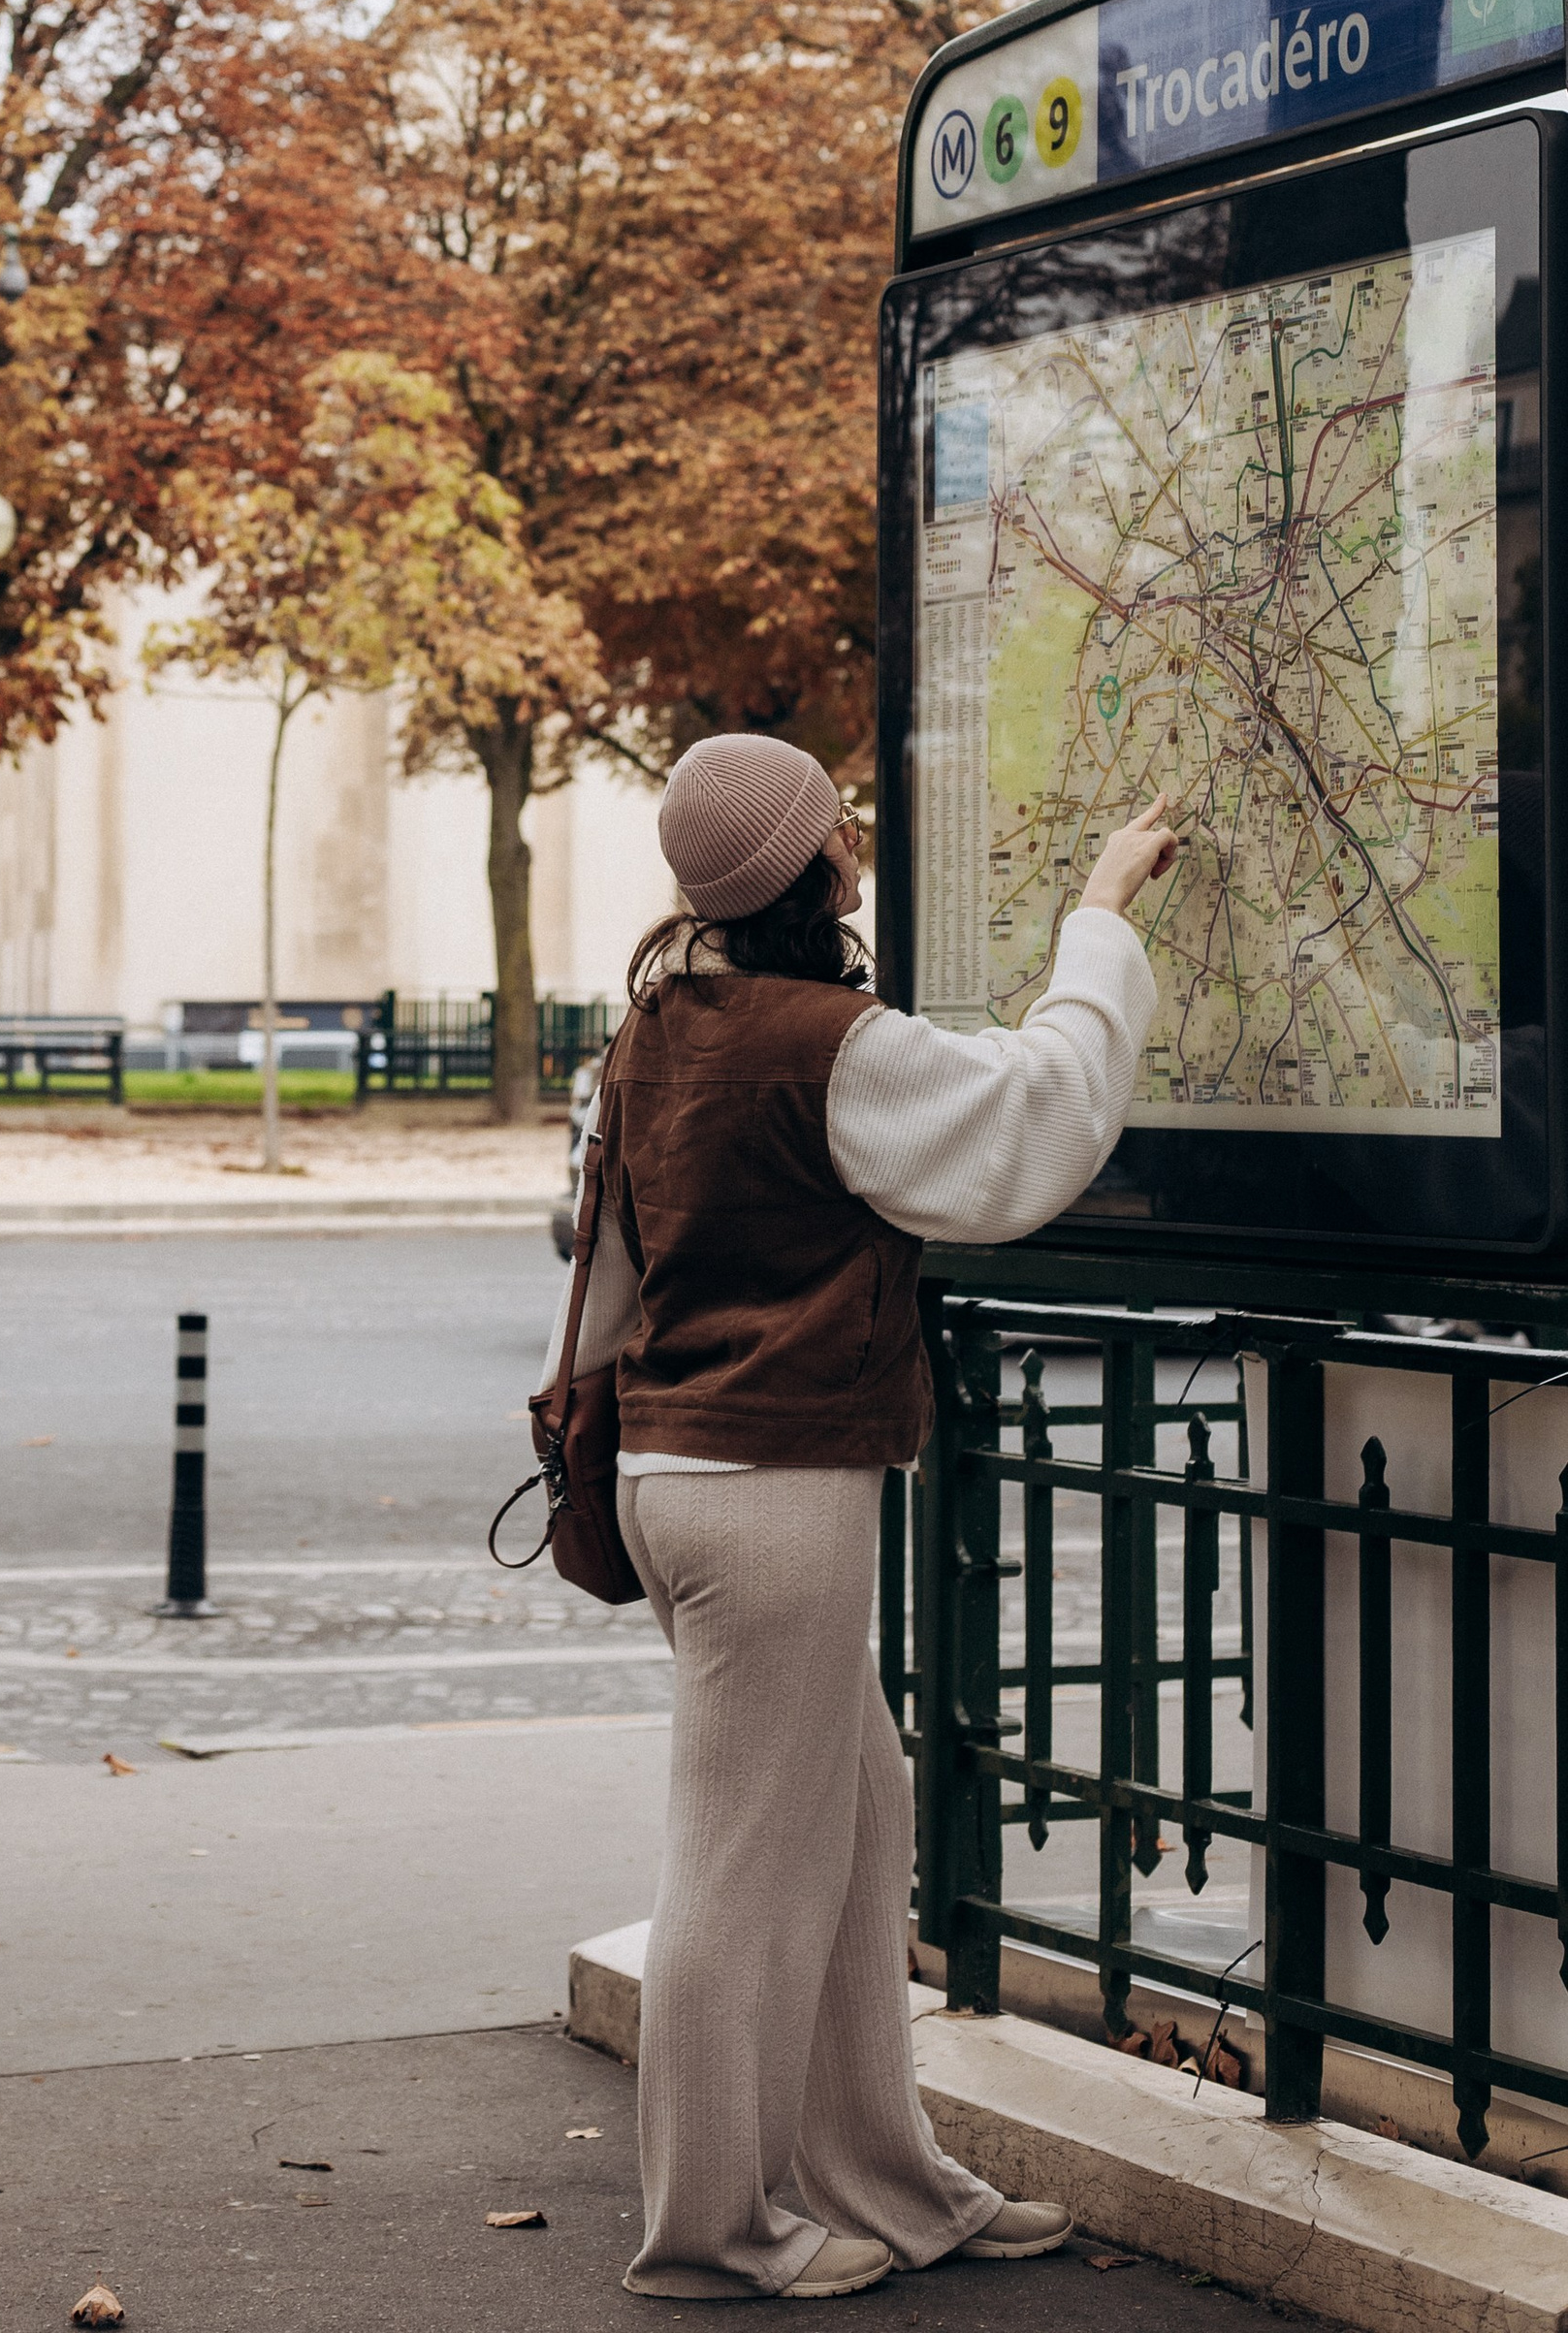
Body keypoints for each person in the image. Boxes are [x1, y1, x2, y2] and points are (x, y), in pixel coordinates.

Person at [541, 732, 1178, 2302]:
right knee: (743, 1861)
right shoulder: (835, 1043)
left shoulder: (659, 1028)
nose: (853, 848)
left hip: (674, 1473)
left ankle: (888, 2180)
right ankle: (711, 2230)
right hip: (774, 1489)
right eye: (841, 830)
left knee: (860, 1815)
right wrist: (1101, 914)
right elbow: (1034, 1111)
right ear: (818, 867)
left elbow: (606, 1271)